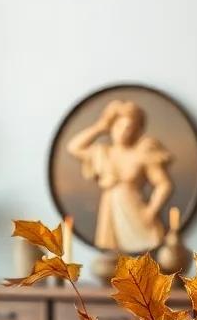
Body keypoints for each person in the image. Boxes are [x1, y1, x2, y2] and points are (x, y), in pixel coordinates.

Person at [66, 99, 173, 252]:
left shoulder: (141, 153)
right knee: (111, 259)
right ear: (112, 126)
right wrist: (100, 127)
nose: (123, 131)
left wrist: (150, 211)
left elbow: (164, 184)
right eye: (119, 126)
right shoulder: (102, 152)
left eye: (128, 127)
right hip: (110, 209)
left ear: (136, 130)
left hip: (135, 211)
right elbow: (73, 147)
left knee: (144, 255)